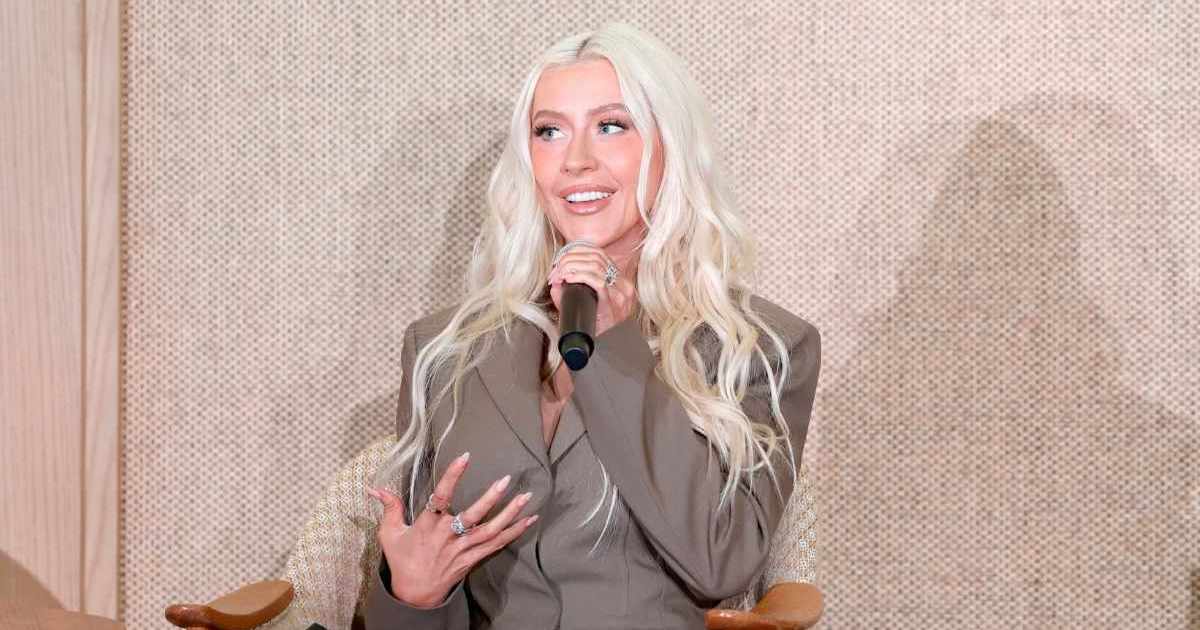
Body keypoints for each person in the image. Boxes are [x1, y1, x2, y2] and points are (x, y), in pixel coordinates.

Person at [363, 22, 821, 630]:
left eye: (611, 126)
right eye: (549, 132)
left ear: (670, 147)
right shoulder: (445, 350)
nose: (576, 160)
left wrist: (614, 349)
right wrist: (411, 597)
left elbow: (719, 563)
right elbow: (416, 571)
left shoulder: (761, 349)